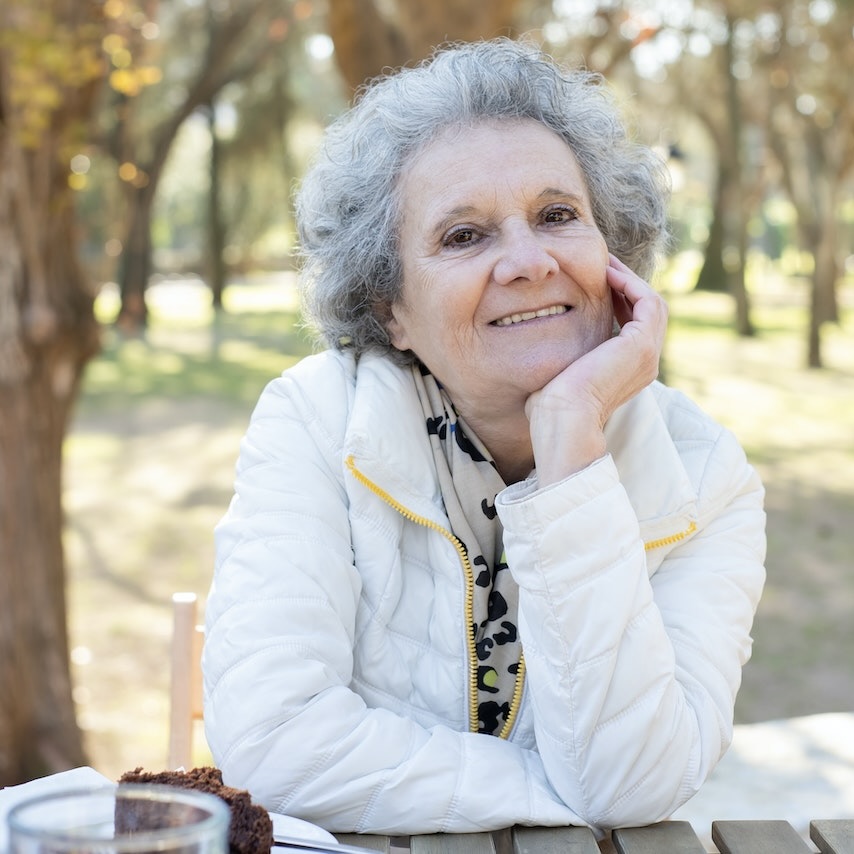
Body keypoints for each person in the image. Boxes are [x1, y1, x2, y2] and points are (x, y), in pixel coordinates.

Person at [202, 37, 766, 837]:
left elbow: (639, 781)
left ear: (616, 256)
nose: (529, 261)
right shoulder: (315, 420)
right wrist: (563, 794)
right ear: (390, 309)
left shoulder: (707, 474)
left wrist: (570, 442)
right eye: (465, 236)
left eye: (558, 216)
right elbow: (275, 743)